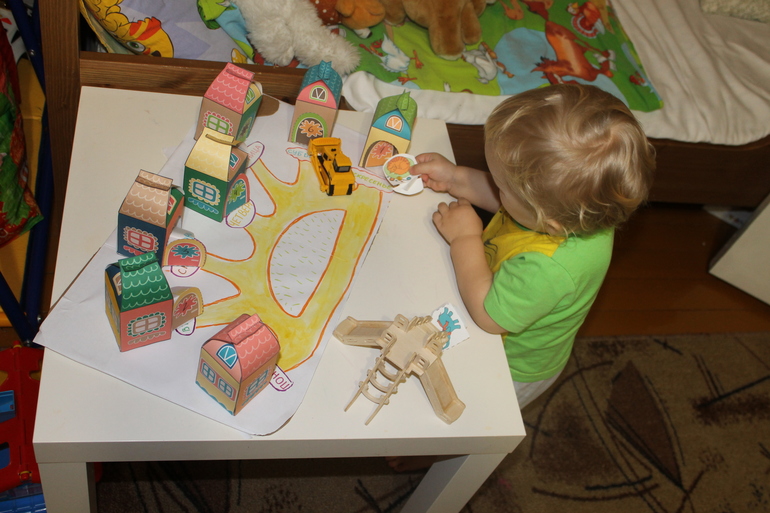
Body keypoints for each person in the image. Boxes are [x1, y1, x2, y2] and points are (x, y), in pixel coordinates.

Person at [387, 84, 655, 471]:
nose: (495, 189)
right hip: (499, 293)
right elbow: (511, 203)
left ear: (549, 221)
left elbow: (488, 316)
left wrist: (465, 238)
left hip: (511, 361)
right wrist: (456, 178)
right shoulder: (572, 209)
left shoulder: (550, 267)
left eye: (501, 186)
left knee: (465, 420)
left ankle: (434, 455)